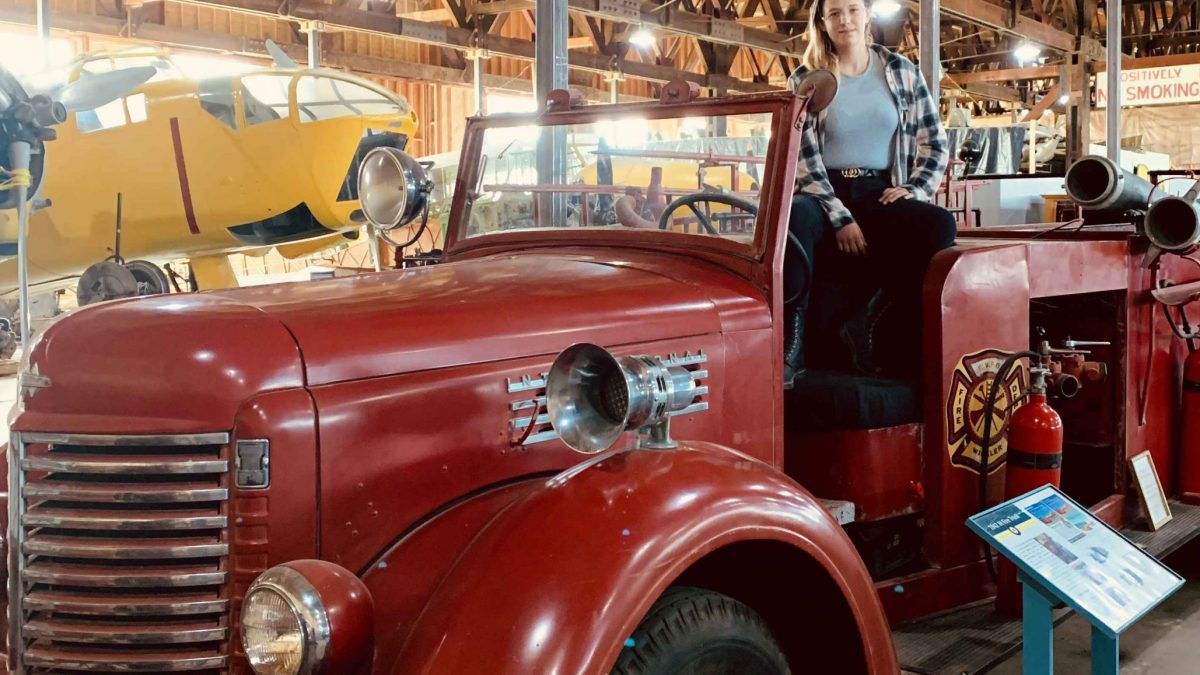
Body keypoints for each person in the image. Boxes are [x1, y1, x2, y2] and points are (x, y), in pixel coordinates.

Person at [783, 0, 957, 386]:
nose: (844, 19)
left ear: (867, 15)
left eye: (851, 10)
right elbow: (803, 159)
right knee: (795, 221)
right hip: (822, 191)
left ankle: (891, 332)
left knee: (937, 225)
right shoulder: (806, 79)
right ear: (822, 23)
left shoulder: (901, 71)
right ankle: (789, 346)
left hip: (878, 188)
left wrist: (915, 189)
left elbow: (934, 143)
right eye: (834, 13)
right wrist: (840, 217)